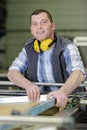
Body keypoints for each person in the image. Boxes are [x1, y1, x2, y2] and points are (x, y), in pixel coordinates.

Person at [7, 9, 86, 108]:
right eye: (35, 24)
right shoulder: (28, 47)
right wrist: (28, 85)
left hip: (68, 100)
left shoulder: (67, 46)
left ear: (53, 26)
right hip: (41, 101)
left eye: (43, 22)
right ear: (31, 29)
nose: (39, 27)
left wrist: (62, 92)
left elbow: (78, 74)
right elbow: (12, 72)